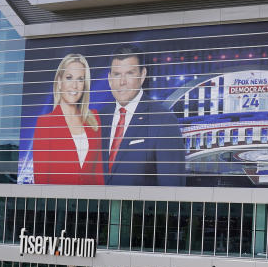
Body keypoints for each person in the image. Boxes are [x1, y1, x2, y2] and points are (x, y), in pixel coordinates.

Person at [101, 44, 186, 186]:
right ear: (110, 79)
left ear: (142, 75)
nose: (122, 82)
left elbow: (172, 189)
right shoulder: (99, 118)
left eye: (130, 73)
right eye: (117, 74)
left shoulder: (163, 121)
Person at [33, 53, 104, 185]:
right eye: (69, 78)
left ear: (85, 85)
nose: (75, 85)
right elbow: (41, 179)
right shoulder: (45, 123)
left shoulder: (94, 119)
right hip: (58, 203)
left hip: (91, 202)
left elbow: (98, 174)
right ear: (59, 82)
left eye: (80, 79)